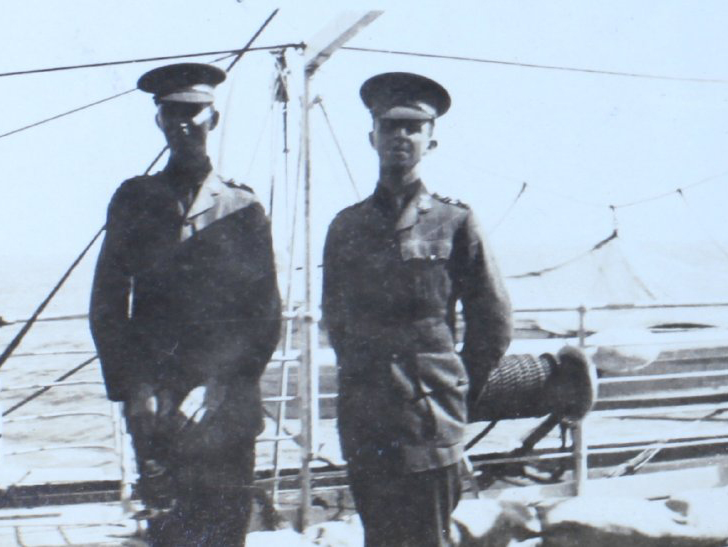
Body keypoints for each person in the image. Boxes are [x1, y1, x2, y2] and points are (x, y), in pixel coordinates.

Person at [89, 62, 282, 547]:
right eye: (171, 112)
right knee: (171, 536)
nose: (182, 122)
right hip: (158, 409)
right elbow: (108, 304)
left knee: (224, 533)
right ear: (159, 120)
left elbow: (264, 317)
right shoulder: (135, 201)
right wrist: (134, 388)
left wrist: (218, 385)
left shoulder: (243, 209)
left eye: (194, 112)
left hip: (226, 409)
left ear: (212, 119)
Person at [321, 72, 514, 546]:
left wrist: (454, 389)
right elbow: (338, 324)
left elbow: (494, 322)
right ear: (373, 137)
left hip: (432, 419)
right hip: (368, 419)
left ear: (432, 140)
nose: (400, 137)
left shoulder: (455, 221)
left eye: (413, 127)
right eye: (390, 126)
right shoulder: (346, 227)